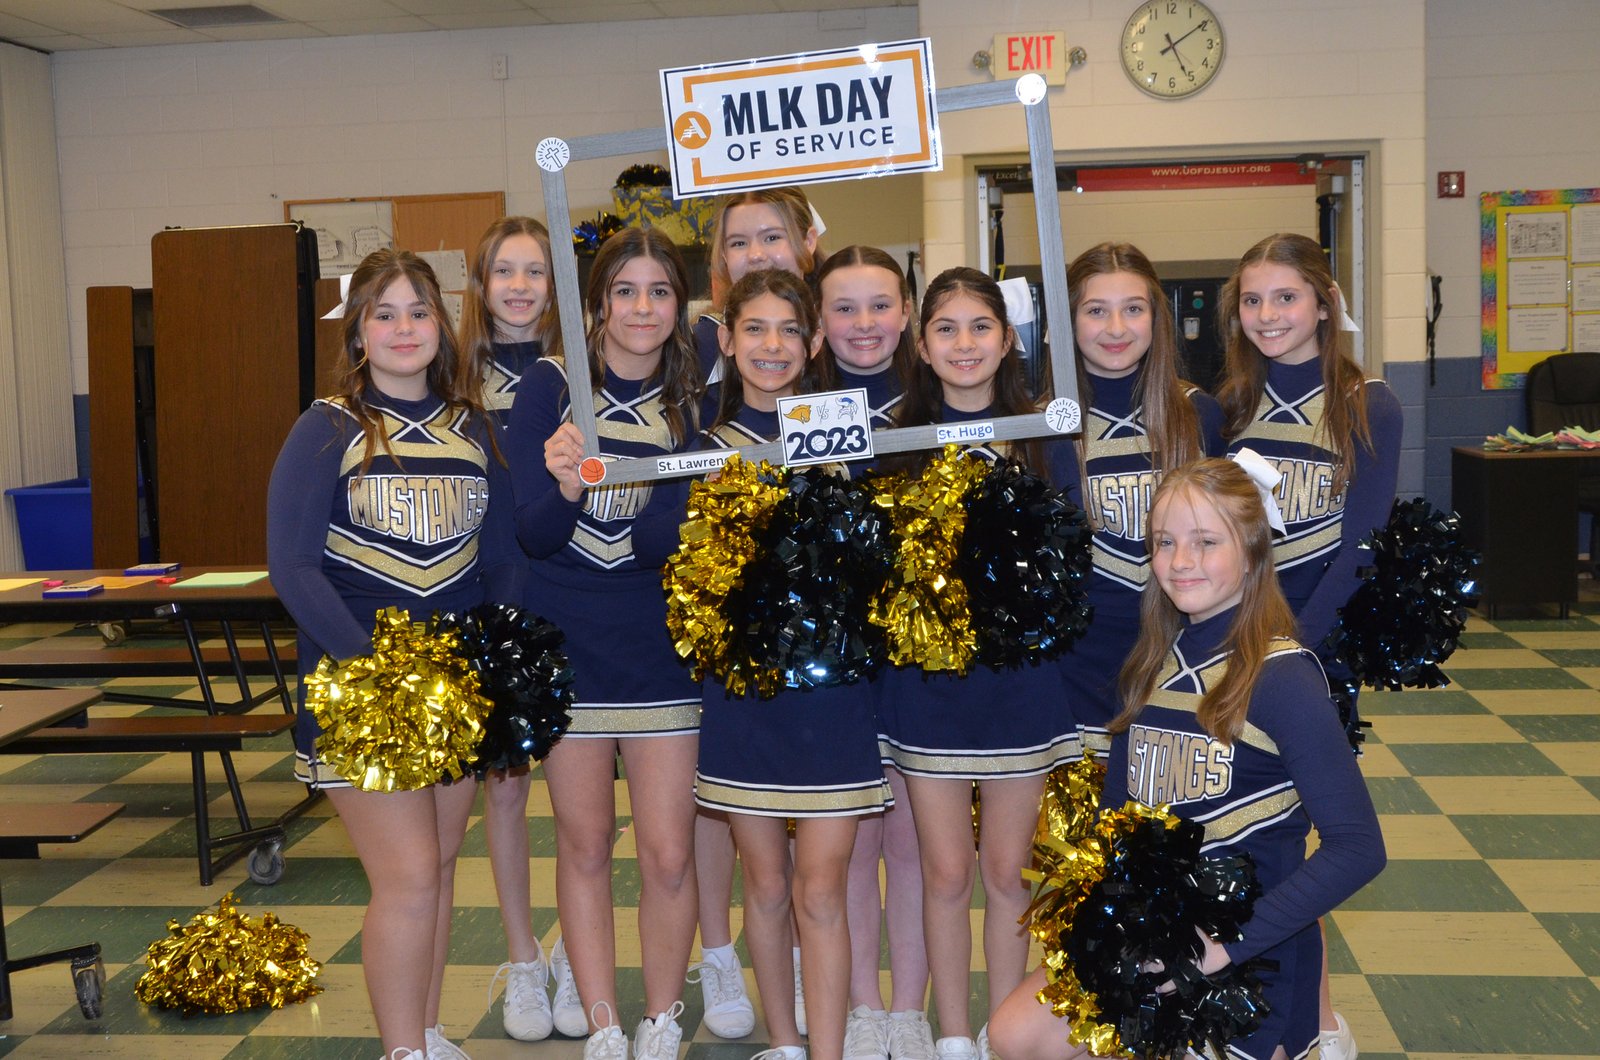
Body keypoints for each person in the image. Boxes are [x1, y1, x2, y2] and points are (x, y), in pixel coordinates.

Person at [987, 456, 1387, 1060]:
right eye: (1164, 542)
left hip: (1251, 960)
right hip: (1153, 941)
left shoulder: (1283, 678)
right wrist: (1108, 935)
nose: (1180, 561)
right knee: (1013, 1034)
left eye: (1206, 542)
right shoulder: (1150, 666)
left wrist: (1220, 948)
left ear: (1252, 551)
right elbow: (1116, 828)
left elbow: (1359, 848)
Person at [268, 248, 521, 1060]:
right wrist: (376, 671)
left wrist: (497, 662)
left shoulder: (473, 427)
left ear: (441, 326)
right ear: (358, 333)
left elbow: (503, 559)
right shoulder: (325, 428)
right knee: (409, 876)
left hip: (454, 686)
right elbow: (294, 569)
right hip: (361, 688)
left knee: (441, 866)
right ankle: (401, 1050)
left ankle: (428, 1031)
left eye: (419, 311)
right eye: (385, 313)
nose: (404, 328)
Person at [642, 267, 889, 1060]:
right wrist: (718, 514)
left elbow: (884, 556)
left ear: (814, 342)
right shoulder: (703, 449)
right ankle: (783, 1042)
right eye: (755, 329)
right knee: (770, 884)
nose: (773, 346)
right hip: (745, 697)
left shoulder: (845, 434)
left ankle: (828, 1052)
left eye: (790, 330)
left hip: (837, 695)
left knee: (823, 887)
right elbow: (652, 544)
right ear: (727, 341)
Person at [507, 226, 703, 1060]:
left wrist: (663, 485)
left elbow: (665, 543)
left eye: (660, 291)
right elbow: (536, 533)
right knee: (584, 844)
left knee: (666, 851)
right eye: (626, 290)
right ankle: (602, 1019)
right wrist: (559, 484)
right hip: (567, 643)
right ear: (596, 302)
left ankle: (661, 1015)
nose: (643, 309)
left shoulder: (695, 399)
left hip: (660, 649)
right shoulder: (548, 386)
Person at [879, 267, 1078, 1060]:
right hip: (928, 694)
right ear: (922, 347)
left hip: (1020, 690)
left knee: (1006, 873)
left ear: (1007, 341)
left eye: (980, 328)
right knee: (943, 873)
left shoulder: (1040, 437)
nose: (965, 345)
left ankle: (1002, 1030)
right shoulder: (892, 441)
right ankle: (952, 1033)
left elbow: (1069, 559)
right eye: (947, 330)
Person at [1216, 232, 1402, 1060]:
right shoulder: (1227, 406)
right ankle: (1283, 1016)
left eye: (1284, 297)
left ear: (1323, 302)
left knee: (1310, 834)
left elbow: (1364, 545)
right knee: (1251, 833)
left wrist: (1297, 651)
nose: (1267, 316)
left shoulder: (1371, 403)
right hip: (1229, 653)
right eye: (1251, 301)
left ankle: (1318, 1021)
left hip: (1310, 659)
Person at [688, 186, 823, 1043]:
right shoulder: (694, 377)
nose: (759, 252)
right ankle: (721, 956)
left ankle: (808, 966)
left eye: (774, 235)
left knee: (818, 847)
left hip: (820, 666)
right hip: (724, 653)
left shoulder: (827, 370)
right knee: (717, 820)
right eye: (741, 241)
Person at [458, 215, 585, 1041]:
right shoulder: (449, 372)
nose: (519, 286)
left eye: (535, 271)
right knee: (505, 791)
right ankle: (523, 960)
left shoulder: (579, 368)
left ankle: (580, 953)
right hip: (487, 594)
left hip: (570, 592)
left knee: (588, 806)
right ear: (481, 283)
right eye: (505, 271)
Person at [813, 245, 933, 1060]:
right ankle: (861, 1003)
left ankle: (913, 1008)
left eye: (881, 304)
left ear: (907, 313)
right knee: (852, 841)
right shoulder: (799, 406)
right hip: (837, 663)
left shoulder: (941, 401)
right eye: (844, 308)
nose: (864, 324)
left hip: (924, 658)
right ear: (819, 323)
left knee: (915, 845)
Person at [1057, 242, 1224, 760]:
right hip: (1073, 670)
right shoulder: (1043, 427)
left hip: (1181, 659)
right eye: (1095, 310)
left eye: (1133, 309)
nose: (1116, 328)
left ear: (1157, 318)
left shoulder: (1203, 415)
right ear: (1068, 321)